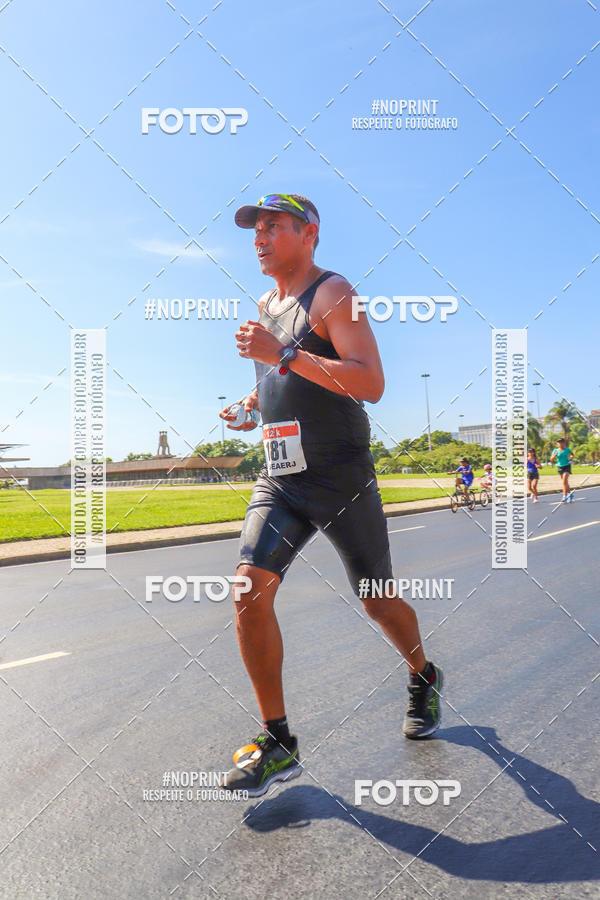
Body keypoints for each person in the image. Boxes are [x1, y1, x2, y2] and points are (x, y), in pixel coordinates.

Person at [218, 192, 443, 797]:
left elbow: (369, 382)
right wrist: (249, 405)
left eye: (273, 228)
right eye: (255, 230)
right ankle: (278, 740)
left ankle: (423, 674)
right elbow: (277, 384)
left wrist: (284, 354)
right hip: (282, 478)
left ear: (308, 232)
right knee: (247, 588)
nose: (260, 239)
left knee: (376, 601)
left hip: (342, 478)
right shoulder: (267, 303)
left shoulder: (334, 293)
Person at [550, 438, 574, 502]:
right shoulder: (555, 450)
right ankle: (570, 494)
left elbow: (572, 454)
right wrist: (555, 454)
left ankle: (564, 496)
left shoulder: (567, 449)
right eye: (559, 442)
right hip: (560, 467)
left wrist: (571, 458)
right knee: (565, 482)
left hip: (567, 466)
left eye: (561, 442)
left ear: (564, 443)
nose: (560, 443)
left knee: (564, 481)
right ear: (557, 444)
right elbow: (551, 459)